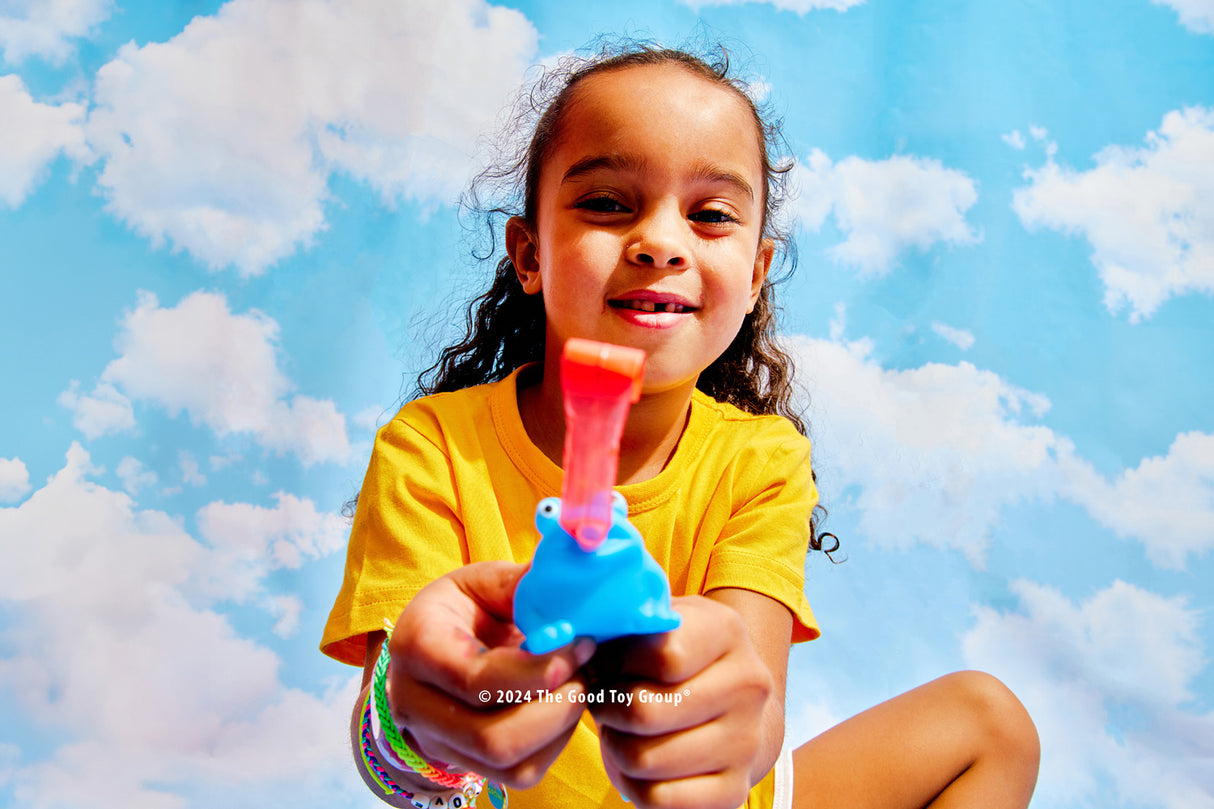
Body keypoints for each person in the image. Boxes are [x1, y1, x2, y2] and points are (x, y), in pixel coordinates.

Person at [321, 41, 1040, 809]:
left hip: (719, 800)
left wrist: (699, 711)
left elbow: (755, 730)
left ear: (756, 275)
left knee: (991, 722)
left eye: (710, 215)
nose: (661, 242)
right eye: (607, 203)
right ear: (529, 254)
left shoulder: (762, 459)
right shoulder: (432, 447)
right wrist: (428, 721)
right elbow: (393, 761)